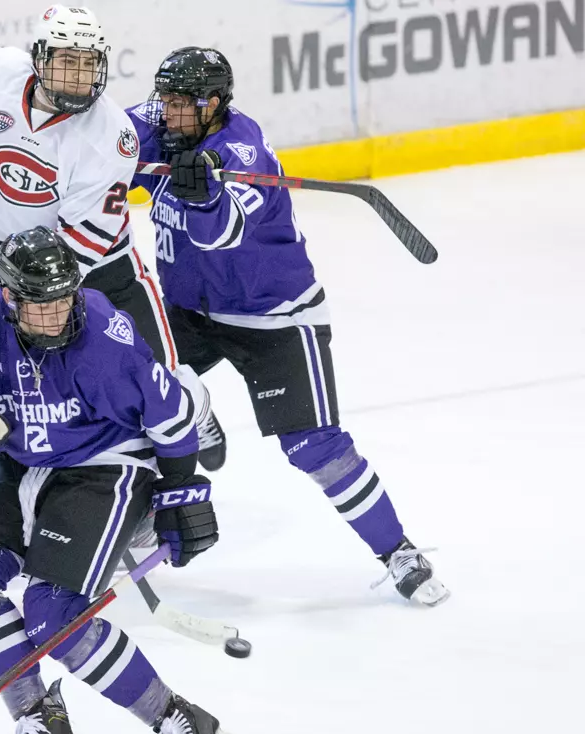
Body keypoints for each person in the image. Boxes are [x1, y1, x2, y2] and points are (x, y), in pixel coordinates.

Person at [0, 3, 226, 599]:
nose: (77, 78)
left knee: (157, 381)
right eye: (65, 62)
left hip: (99, 271)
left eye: (89, 64)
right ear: (40, 59)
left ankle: (192, 407)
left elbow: (74, 255)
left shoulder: (111, 136)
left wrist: (17, 294)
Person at [0, 225, 244, 734]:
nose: (57, 317)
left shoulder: (105, 340)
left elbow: (173, 421)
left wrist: (181, 495)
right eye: (40, 307)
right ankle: (40, 726)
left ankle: (183, 720)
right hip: (23, 461)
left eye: (64, 300)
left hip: (108, 461)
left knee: (54, 613)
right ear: (9, 298)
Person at [127, 47, 449, 605]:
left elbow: (221, 234)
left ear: (216, 104)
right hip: (187, 312)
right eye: (168, 101)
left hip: (274, 317)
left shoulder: (242, 152)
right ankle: (185, 431)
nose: (173, 113)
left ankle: (398, 550)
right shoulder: (159, 122)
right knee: (132, 397)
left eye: (187, 104)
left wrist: (204, 198)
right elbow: (106, 135)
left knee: (314, 447)